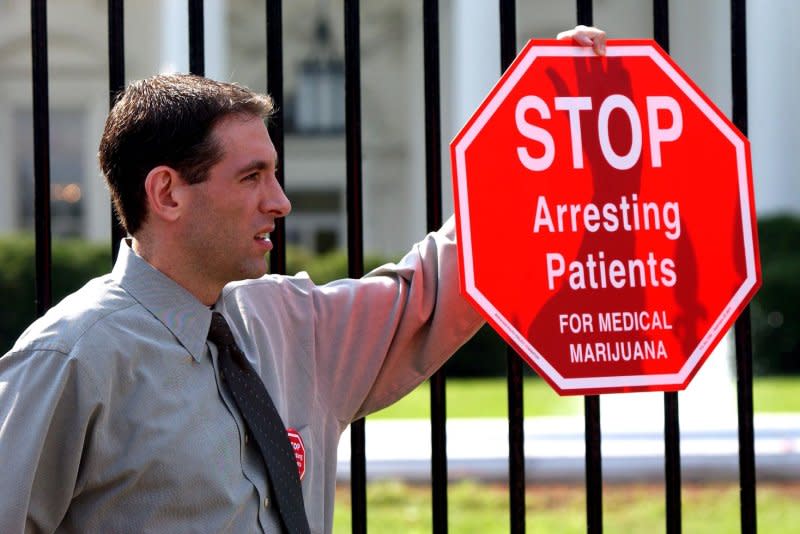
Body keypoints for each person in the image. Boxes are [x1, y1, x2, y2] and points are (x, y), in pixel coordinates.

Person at [0, 26, 606, 534]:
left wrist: (552, 126)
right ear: (167, 193)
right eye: (251, 178)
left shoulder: (292, 322)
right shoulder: (70, 357)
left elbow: (441, 283)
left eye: (276, 174)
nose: (282, 202)